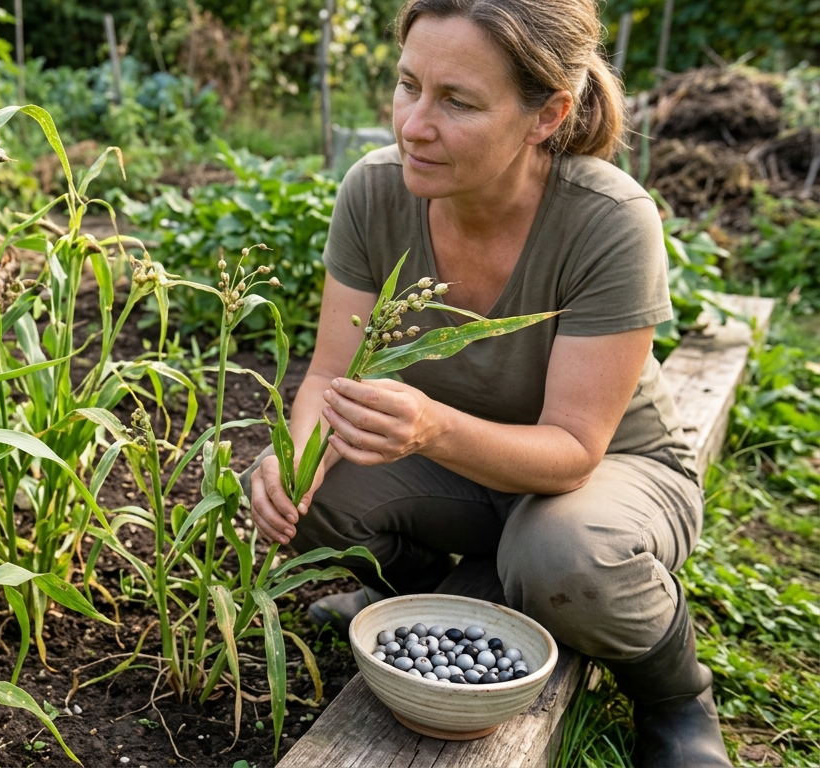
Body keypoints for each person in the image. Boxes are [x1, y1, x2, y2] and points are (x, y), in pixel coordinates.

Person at [244, 1, 729, 765]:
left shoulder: (608, 221)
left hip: (606, 469)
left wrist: (432, 428)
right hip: (458, 466)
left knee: (559, 557)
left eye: (458, 102)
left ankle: (675, 699)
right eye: (409, 87)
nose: (413, 125)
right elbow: (332, 377)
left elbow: (573, 449)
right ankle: (409, 597)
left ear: (547, 116)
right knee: (309, 493)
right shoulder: (374, 193)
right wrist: (293, 467)